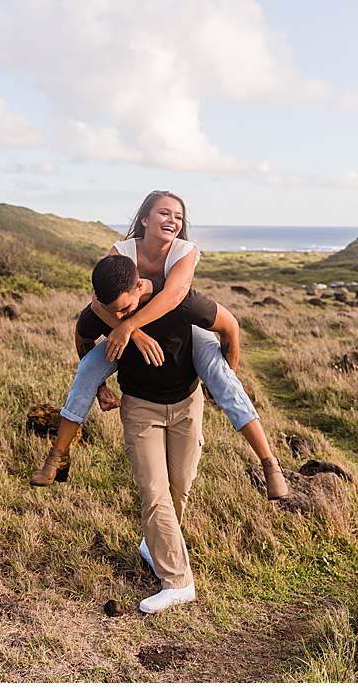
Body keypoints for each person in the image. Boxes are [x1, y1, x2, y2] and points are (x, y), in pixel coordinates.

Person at [30, 190, 289, 501]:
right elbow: (100, 303)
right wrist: (130, 333)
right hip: (126, 326)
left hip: (184, 325)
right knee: (87, 369)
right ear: (144, 219)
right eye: (165, 213)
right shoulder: (121, 251)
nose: (173, 220)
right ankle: (58, 455)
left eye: (178, 216)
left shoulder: (184, 251)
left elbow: (174, 296)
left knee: (222, 378)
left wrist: (130, 326)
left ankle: (269, 463)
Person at [70, 255, 235, 614]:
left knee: (181, 485)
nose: (119, 318)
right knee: (154, 491)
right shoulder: (103, 311)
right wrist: (98, 388)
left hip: (186, 405)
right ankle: (178, 582)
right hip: (140, 409)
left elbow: (230, 326)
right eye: (113, 313)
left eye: (125, 309)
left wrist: (223, 378)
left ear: (140, 287)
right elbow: (82, 341)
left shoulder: (181, 299)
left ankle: (153, 544)